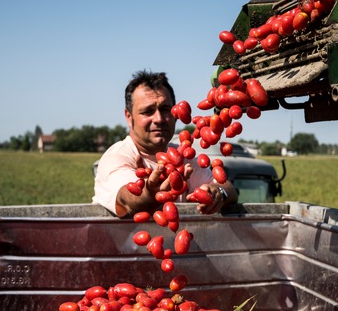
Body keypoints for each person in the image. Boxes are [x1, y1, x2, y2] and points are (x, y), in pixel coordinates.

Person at [93, 70, 237, 217]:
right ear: (129, 117)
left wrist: (218, 193)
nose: (159, 119)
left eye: (165, 109)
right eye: (147, 111)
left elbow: (227, 188)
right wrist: (149, 193)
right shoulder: (118, 156)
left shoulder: (182, 156)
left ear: (175, 113)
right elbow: (127, 200)